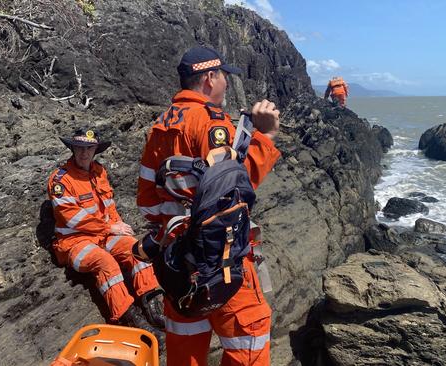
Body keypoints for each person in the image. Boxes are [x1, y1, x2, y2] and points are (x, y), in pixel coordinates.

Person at [135, 45, 281, 365]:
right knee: (250, 339)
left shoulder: (159, 127)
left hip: (175, 263)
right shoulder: (212, 123)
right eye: (223, 77)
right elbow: (233, 191)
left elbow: (146, 203)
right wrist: (266, 136)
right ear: (209, 78)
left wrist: (176, 229)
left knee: (185, 352)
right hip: (218, 259)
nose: (226, 83)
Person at [47, 127, 165, 340]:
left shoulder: (100, 171)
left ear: (95, 150)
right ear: (73, 148)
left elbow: (109, 206)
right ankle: (130, 318)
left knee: (136, 249)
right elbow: (71, 218)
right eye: (80, 148)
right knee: (105, 263)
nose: (84, 153)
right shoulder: (60, 180)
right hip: (74, 242)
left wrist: (119, 225)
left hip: (104, 236)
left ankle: (154, 305)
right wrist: (110, 228)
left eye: (89, 148)